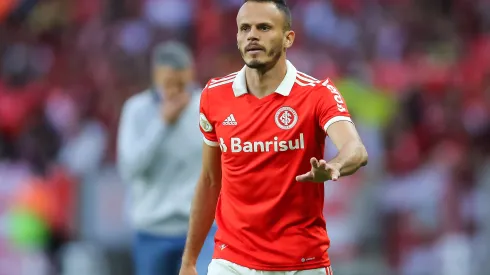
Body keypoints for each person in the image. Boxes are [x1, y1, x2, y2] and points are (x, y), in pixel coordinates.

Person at [179, 1, 369, 275]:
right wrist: (189, 260)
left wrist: (336, 166)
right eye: (245, 28)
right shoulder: (214, 96)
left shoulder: (317, 94)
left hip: (302, 263)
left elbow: (356, 149)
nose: (252, 35)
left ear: (288, 37)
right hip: (231, 262)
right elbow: (210, 180)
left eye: (264, 27)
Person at [117, 41, 216, 275]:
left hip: (202, 228)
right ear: (156, 76)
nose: (176, 91)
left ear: (191, 73)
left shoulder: (209, 107)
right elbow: (129, 169)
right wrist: (161, 124)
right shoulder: (136, 110)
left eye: (182, 83)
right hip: (152, 231)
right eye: (170, 83)